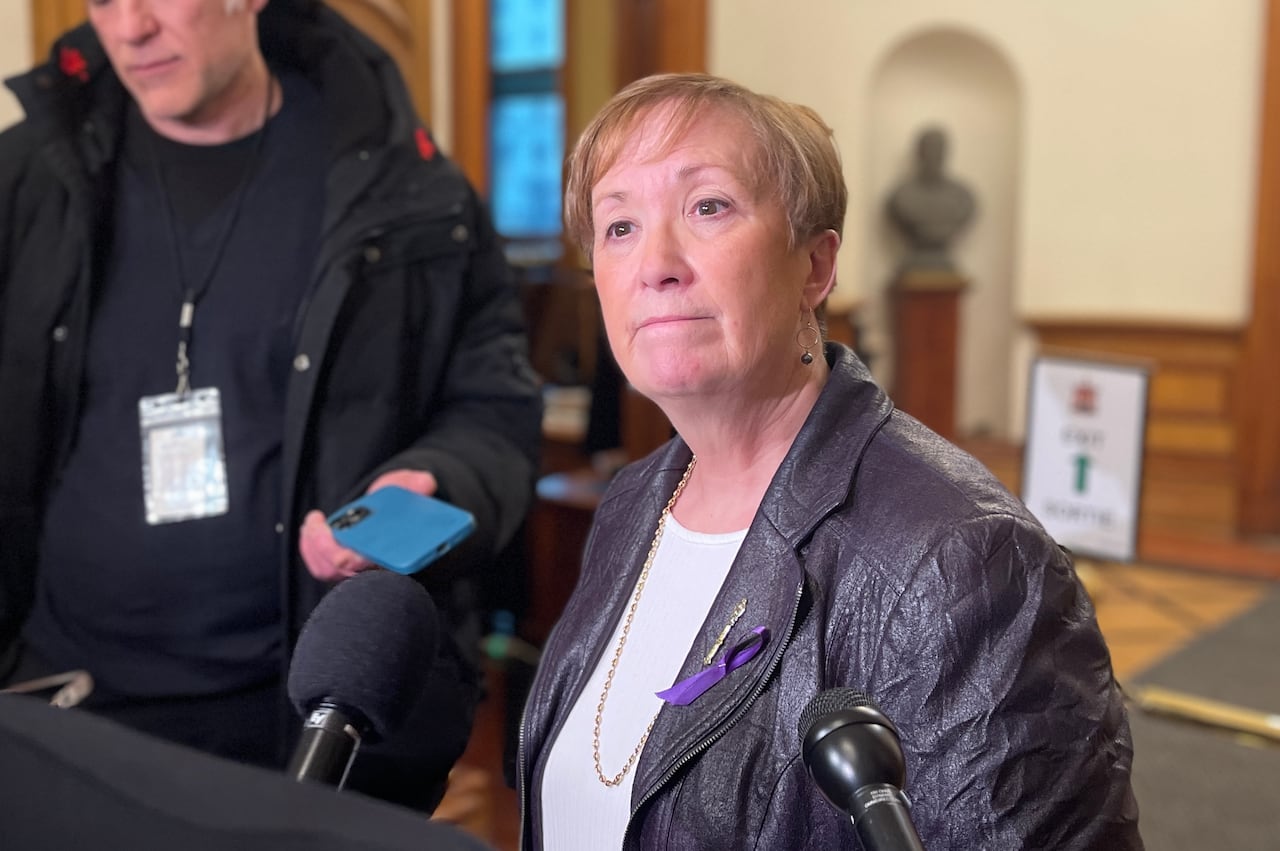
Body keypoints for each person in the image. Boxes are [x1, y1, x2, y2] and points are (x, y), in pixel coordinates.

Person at [516, 74, 1141, 849]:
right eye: (619, 226)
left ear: (814, 266)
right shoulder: (633, 501)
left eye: (707, 206)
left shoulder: (964, 563)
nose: (656, 263)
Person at [0, 0, 542, 813]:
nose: (130, 28)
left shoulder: (405, 185)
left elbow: (492, 402)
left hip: (311, 726)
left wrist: (435, 478)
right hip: (65, 703)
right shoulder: (30, 174)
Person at [885, 125, 977, 273]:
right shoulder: (901, 197)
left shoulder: (962, 198)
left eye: (938, 150)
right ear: (919, 154)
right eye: (929, 149)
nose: (934, 155)